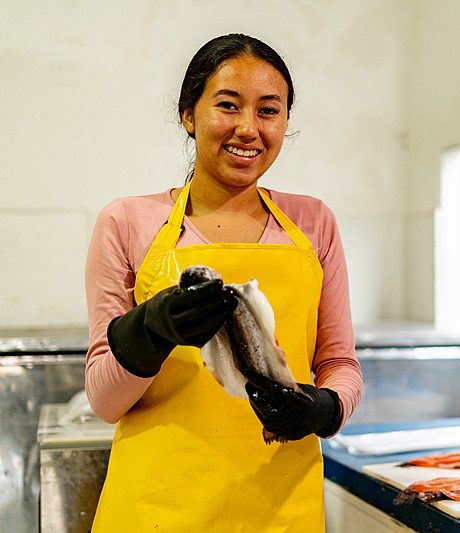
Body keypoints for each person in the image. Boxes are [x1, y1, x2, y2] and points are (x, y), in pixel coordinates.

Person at [84, 33, 362, 531]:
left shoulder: (314, 222)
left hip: (282, 505)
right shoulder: (127, 221)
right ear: (188, 114)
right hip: (156, 506)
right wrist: (148, 331)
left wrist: (323, 408)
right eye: (228, 105)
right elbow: (105, 402)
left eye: (268, 111)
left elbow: (338, 363)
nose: (248, 129)